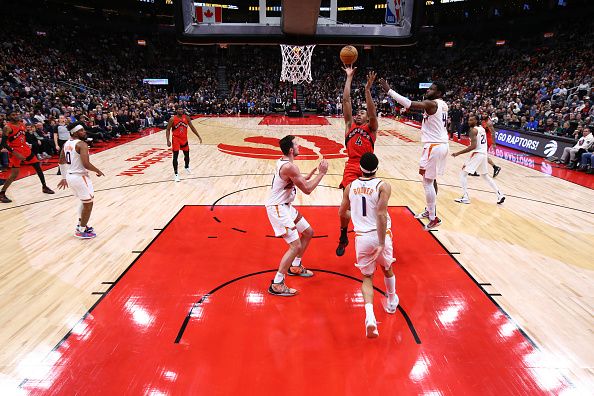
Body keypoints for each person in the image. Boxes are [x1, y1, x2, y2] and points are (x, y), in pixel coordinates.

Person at [338, 152, 398, 338]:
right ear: (377, 168)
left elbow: (342, 212)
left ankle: (370, 317)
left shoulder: (350, 186)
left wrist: (355, 217)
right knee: (387, 268)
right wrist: (381, 242)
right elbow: (381, 214)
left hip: (362, 237)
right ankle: (391, 300)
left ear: (360, 169)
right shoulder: (383, 186)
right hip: (381, 235)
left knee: (367, 277)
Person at [380, 79, 449, 230]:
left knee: (427, 182)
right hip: (441, 144)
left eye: (431, 89)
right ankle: (430, 210)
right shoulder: (444, 105)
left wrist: (389, 91)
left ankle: (433, 218)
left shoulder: (432, 103)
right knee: (432, 180)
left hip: (434, 146)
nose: (427, 91)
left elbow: (409, 104)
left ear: (439, 93)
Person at [265, 135, 328, 297]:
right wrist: (321, 174)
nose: (300, 146)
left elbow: (292, 181)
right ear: (291, 150)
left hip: (286, 206)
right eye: (297, 144)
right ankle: (277, 283)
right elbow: (307, 190)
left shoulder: (286, 163)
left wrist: (307, 177)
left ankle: (295, 266)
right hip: (278, 208)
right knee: (295, 245)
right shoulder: (290, 167)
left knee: (308, 232)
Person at [336, 67, 378, 256]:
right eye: (357, 113)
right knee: (344, 209)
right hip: (352, 167)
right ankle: (343, 234)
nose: (358, 114)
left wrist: (367, 91)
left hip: (368, 168)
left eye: (362, 113)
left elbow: (372, 113)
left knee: (371, 206)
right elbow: (346, 100)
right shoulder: (348, 125)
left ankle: (374, 236)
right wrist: (349, 77)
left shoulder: (372, 128)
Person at [57, 122, 104, 238]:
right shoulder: (81, 144)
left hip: (70, 176)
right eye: (82, 130)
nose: (84, 132)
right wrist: (97, 170)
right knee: (89, 204)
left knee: (84, 201)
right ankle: (81, 230)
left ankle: (81, 224)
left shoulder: (67, 143)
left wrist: (63, 177)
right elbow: (86, 164)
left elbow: (61, 161)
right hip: (79, 177)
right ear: (75, 133)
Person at [0, 111, 54, 203]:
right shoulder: (7, 127)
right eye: (13, 114)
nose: (16, 115)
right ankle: (2, 193)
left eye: (16, 114)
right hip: (15, 152)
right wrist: (14, 152)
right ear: (9, 116)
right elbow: (3, 143)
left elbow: (22, 138)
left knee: (38, 166)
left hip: (25, 149)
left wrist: (27, 144)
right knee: (14, 175)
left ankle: (44, 187)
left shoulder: (22, 124)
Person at [452, 115, 505, 205]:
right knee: (485, 176)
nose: (469, 121)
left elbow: (473, 146)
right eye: (469, 120)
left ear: (476, 121)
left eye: (472, 120)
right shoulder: (481, 129)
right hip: (484, 154)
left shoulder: (473, 131)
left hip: (477, 153)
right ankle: (499, 194)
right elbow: (491, 131)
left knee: (463, 174)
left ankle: (465, 197)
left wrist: (458, 153)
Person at [166, 106, 202, 182]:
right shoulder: (172, 119)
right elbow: (168, 129)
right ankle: (176, 174)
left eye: (182, 109)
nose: (181, 110)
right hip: (176, 139)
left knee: (187, 155)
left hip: (184, 139)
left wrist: (198, 136)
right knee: (175, 156)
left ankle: (186, 167)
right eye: (179, 109)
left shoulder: (187, 118)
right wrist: (168, 140)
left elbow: (192, 127)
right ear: (176, 110)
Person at [481, 112, 502, 178]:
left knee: (482, 154)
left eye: (485, 114)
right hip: (484, 139)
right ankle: (495, 167)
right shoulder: (483, 121)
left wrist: (494, 143)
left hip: (488, 140)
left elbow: (493, 133)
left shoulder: (489, 122)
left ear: (487, 115)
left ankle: (495, 167)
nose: (484, 115)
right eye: (483, 114)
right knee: (482, 155)